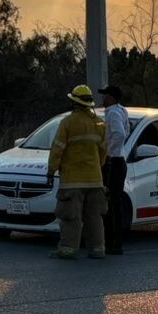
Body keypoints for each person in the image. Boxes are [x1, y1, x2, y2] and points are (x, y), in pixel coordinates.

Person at [46, 84, 108, 261]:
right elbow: (103, 152)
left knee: (70, 217)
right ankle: (97, 249)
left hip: (72, 181)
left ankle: (67, 250)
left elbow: (57, 149)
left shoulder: (68, 123)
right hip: (95, 180)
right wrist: (97, 168)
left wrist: (51, 171)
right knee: (94, 217)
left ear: (74, 102)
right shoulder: (98, 124)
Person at [98, 84, 132, 255]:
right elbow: (127, 130)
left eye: (104, 95)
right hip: (119, 160)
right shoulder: (121, 110)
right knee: (114, 202)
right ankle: (115, 240)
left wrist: (109, 153)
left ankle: (113, 241)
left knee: (111, 202)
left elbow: (119, 133)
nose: (102, 98)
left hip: (114, 162)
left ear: (110, 98)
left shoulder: (112, 113)